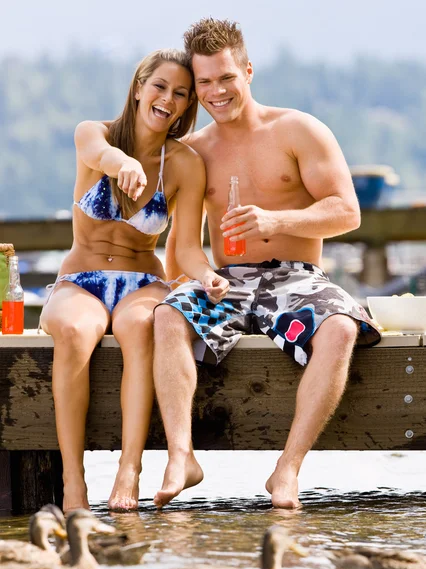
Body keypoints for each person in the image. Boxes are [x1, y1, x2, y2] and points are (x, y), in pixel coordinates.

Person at [152, 18, 381, 510]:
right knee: (169, 316)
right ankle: (181, 455)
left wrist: (276, 220)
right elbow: (181, 243)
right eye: (206, 82)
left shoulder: (297, 129)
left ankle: (287, 469)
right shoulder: (194, 152)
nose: (216, 91)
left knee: (341, 329)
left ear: (248, 71)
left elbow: (347, 211)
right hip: (225, 281)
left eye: (226, 78)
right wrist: (176, 286)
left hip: (295, 279)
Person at [39, 48, 229, 513]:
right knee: (75, 330)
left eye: (182, 94)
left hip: (143, 280)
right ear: (139, 86)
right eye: (160, 86)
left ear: (186, 107)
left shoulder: (184, 164)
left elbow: (184, 248)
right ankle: (73, 482)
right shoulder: (95, 134)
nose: (168, 98)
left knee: (138, 327)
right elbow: (97, 153)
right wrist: (117, 162)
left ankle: (131, 469)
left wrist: (207, 276)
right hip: (80, 279)